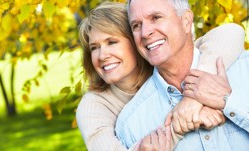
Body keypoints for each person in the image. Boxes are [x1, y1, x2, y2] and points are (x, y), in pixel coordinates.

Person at [76, 2, 244, 151]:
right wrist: (178, 127)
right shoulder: (96, 108)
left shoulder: (165, 57)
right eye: (94, 47)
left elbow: (230, 33)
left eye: (111, 42)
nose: (102, 55)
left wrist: (195, 97)